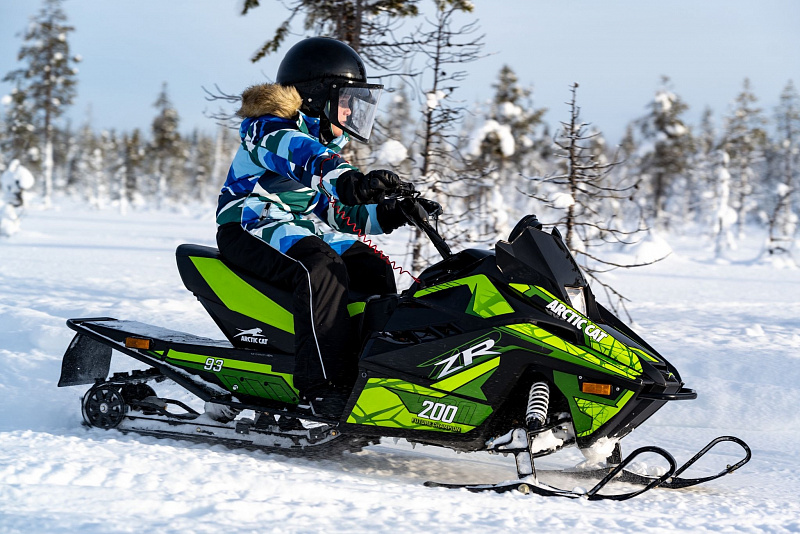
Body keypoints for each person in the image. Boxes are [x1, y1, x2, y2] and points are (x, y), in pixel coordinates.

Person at [215, 37, 437, 417]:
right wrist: (350, 180)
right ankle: (322, 386)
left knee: (371, 265)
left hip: (293, 228)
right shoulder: (267, 131)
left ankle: (373, 369)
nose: (351, 114)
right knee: (320, 267)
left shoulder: (320, 147)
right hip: (248, 224)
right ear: (317, 97)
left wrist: (393, 212)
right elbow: (305, 157)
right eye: (347, 103)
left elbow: (338, 213)